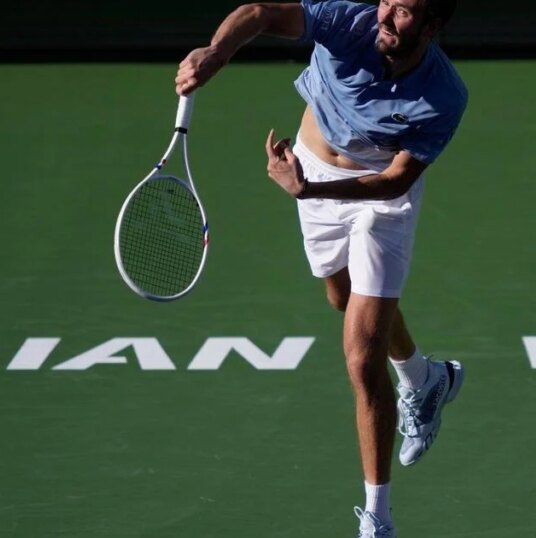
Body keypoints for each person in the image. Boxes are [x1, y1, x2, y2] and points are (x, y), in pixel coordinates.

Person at [175, 1, 467, 535]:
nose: (385, 15)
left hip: (378, 201)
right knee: (341, 298)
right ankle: (425, 378)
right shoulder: (348, 22)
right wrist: (216, 52)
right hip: (309, 172)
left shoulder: (443, 95)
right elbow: (260, 12)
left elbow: (396, 181)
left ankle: (377, 518)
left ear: (432, 27)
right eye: (386, 1)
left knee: (362, 360)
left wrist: (307, 190)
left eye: (403, 11)